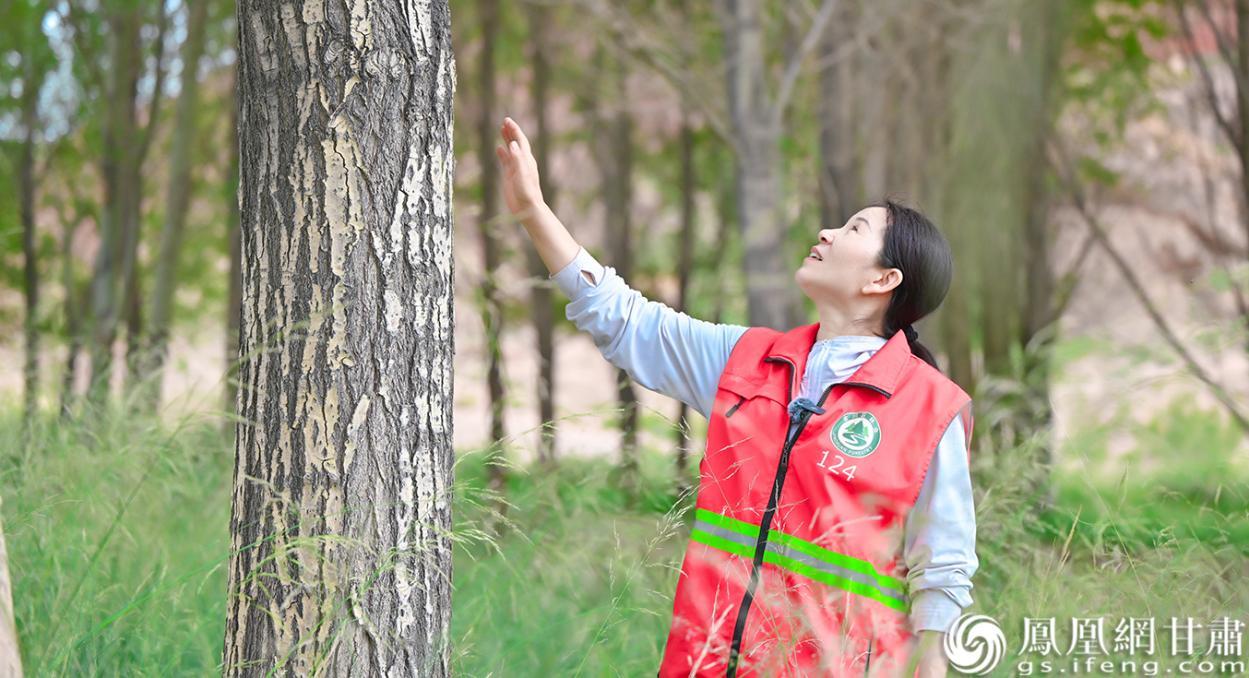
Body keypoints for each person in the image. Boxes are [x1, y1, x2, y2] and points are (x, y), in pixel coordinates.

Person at [495, 116, 978, 678]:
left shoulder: (929, 410)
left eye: (852, 230)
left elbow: (940, 573)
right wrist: (533, 211)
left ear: (882, 280)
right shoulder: (745, 361)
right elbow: (625, 320)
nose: (826, 233)